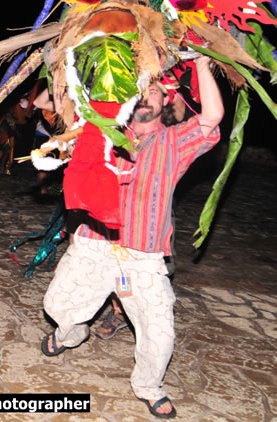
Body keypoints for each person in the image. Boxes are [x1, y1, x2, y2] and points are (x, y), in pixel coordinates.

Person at [40, 56, 223, 419]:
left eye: (154, 90)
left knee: (160, 337)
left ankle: (148, 386)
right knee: (56, 307)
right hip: (94, 245)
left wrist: (202, 62)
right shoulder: (99, 133)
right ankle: (72, 335)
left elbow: (212, 117)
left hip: (143, 258)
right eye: (141, 87)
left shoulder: (174, 142)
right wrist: (61, 63)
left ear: (166, 103)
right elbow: (56, 107)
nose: (146, 94)